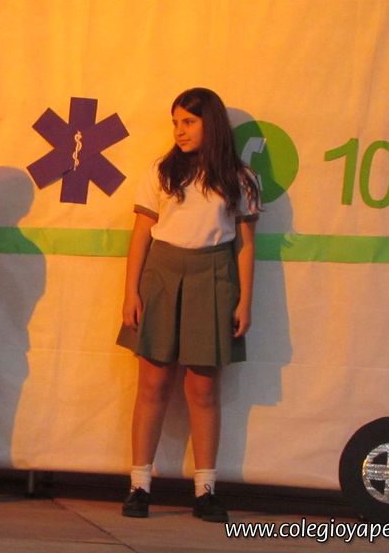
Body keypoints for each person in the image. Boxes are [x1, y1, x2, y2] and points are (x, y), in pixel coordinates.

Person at [116, 88, 260, 521]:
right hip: (161, 276)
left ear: (210, 123)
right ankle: (139, 486)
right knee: (153, 383)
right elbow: (141, 235)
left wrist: (245, 301)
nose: (179, 130)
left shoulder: (240, 179)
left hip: (214, 277)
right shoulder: (161, 171)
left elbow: (245, 245)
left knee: (203, 388)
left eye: (189, 122)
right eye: (175, 122)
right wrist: (131, 292)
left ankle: (205, 491)